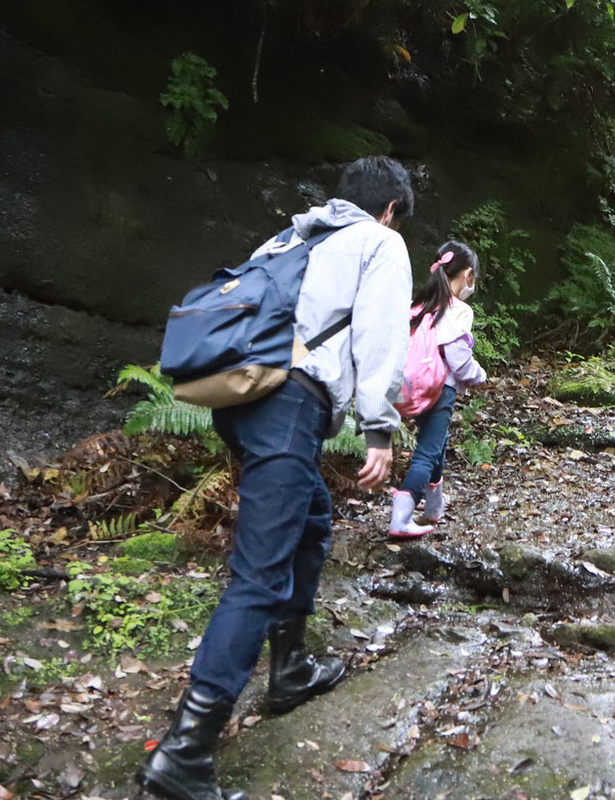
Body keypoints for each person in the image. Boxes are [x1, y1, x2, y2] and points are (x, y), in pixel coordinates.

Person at [140, 155, 415, 800]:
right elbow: (379, 334)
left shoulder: (291, 236)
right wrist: (379, 426)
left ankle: (289, 666)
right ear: (391, 208)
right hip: (290, 404)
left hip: (243, 402)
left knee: (312, 518)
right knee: (259, 573)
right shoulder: (381, 241)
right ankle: (184, 754)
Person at [389, 240, 488, 540]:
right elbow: (457, 358)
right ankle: (401, 516)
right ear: (468, 275)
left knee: (438, 443)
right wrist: (478, 375)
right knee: (427, 452)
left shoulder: (418, 307)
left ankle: (433, 507)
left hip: (413, 387)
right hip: (440, 389)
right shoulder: (458, 311)